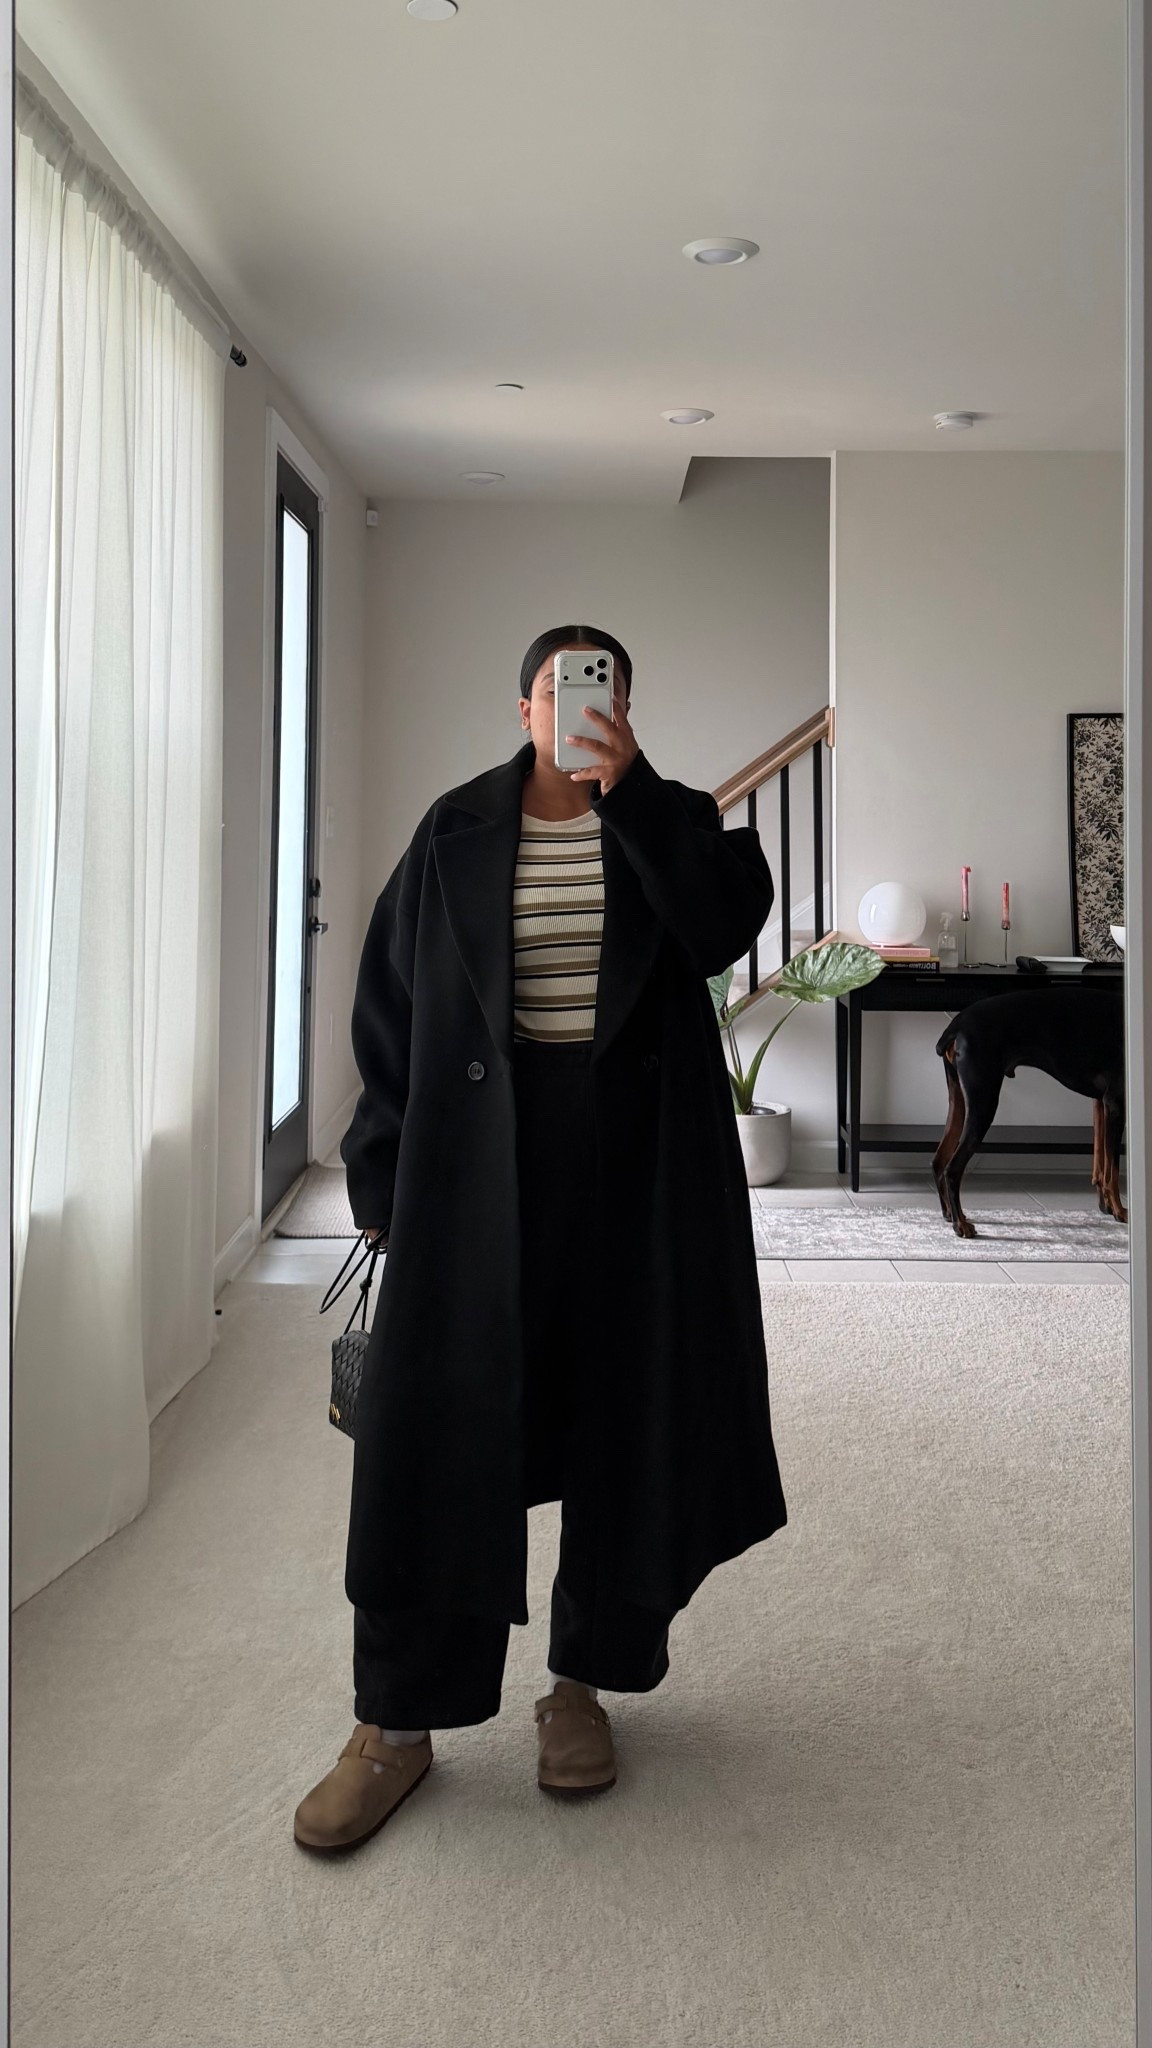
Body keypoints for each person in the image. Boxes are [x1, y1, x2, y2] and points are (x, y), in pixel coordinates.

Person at [294, 625, 788, 1853]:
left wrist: (638, 797)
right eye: (557, 689)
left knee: (623, 1421)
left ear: (625, 704)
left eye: (600, 687)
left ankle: (582, 1684)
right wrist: (379, 1169)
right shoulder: (453, 829)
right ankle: (394, 1721)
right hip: (475, 1170)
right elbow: (392, 1005)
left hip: (636, 1175)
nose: (576, 706)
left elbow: (724, 929)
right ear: (524, 707)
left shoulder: (673, 819)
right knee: (434, 1434)